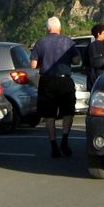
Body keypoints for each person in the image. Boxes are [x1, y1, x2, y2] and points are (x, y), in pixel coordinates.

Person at [30, 16, 81, 158]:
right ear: (60, 28)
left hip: (47, 81)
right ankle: (65, 139)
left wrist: (43, 63)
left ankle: (53, 145)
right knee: (68, 112)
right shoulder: (68, 42)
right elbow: (77, 60)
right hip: (65, 80)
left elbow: (33, 65)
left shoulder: (40, 42)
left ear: (47, 29)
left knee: (49, 115)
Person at [86, 23, 104, 90]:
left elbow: (86, 63)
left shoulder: (89, 46)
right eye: (103, 33)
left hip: (91, 79)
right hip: (103, 77)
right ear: (98, 34)